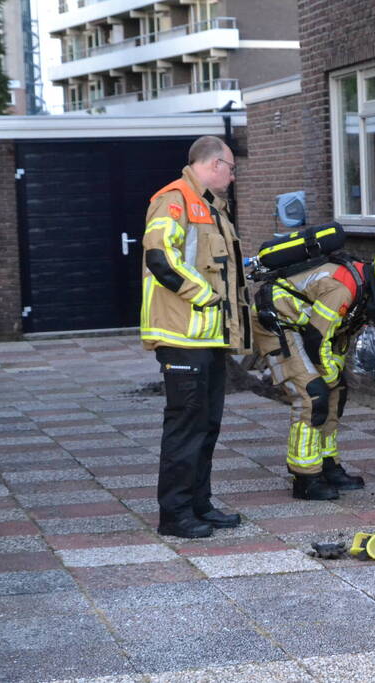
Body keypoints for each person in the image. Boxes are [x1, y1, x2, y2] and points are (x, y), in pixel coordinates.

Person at [253, 243, 375, 500]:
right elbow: (317, 338)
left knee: (336, 391)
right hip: (278, 323)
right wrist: (328, 375)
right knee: (312, 394)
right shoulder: (343, 288)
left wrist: (335, 377)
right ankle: (305, 478)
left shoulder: (367, 291)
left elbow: (336, 336)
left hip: (307, 329)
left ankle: (327, 465)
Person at [140, 135, 251, 538]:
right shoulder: (175, 199)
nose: (234, 176)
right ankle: (175, 515)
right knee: (185, 428)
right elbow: (160, 257)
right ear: (214, 163)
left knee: (206, 426)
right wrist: (206, 297)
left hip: (207, 339)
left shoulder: (209, 206)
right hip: (182, 335)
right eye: (232, 167)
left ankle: (199, 505)